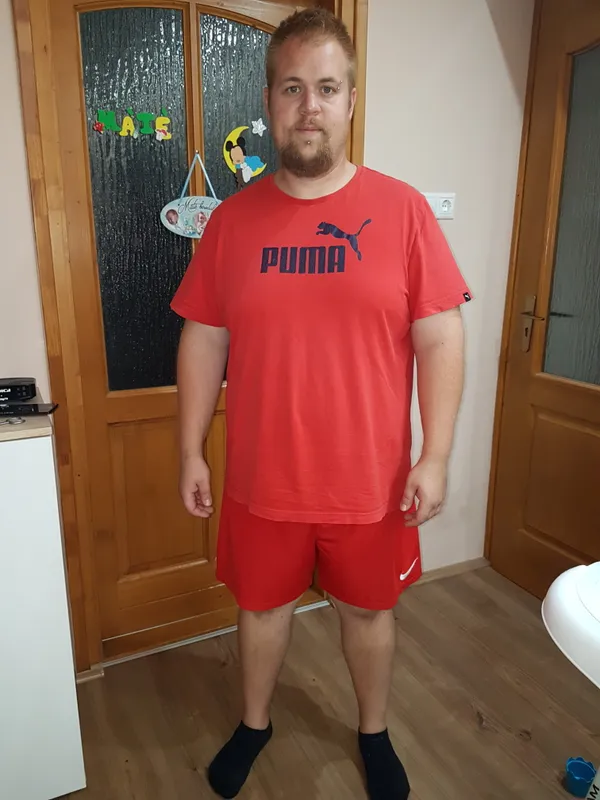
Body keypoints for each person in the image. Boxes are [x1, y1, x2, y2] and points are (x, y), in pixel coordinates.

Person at [171, 8, 471, 799]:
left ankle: (373, 732)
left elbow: (441, 336)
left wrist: (436, 456)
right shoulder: (232, 223)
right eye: (293, 88)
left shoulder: (403, 212)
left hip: (370, 486)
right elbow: (203, 339)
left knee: (368, 614)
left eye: (328, 88)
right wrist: (191, 449)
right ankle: (254, 723)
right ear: (269, 102)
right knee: (261, 609)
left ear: (350, 101)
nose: (310, 106)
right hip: (261, 481)